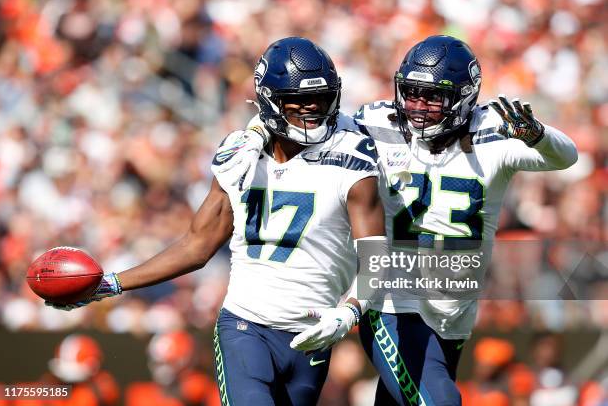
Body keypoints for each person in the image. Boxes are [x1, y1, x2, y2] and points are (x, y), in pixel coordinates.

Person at [217, 35, 578, 405]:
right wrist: (255, 131)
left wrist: (537, 135)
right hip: (392, 302)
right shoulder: (375, 122)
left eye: (432, 97)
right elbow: (300, 112)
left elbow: (566, 156)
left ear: (465, 97)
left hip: (453, 312)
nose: (418, 106)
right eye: (411, 93)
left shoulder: (492, 133)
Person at [46, 36, 388, 406]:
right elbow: (197, 245)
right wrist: (110, 284)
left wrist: (350, 310)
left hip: (314, 334)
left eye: (320, 98)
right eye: (298, 100)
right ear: (270, 99)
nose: (312, 109)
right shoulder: (240, 154)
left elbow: (376, 255)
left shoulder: (353, 158)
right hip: (246, 325)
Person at [126, 330, 220, 406]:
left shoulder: (207, 391)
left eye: (170, 362)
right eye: (158, 363)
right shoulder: (140, 395)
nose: (162, 369)